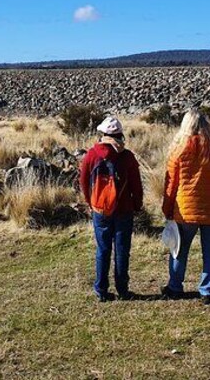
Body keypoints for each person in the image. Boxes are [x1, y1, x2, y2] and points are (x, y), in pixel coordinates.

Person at [160, 110, 210, 305]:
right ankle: (207, 291)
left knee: (179, 250)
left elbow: (170, 184)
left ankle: (175, 287)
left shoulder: (179, 149)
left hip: (185, 211)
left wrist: (167, 209)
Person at [79, 116, 144, 302]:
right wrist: (137, 205)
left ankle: (101, 290)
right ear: (120, 134)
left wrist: (91, 202)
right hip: (124, 209)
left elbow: (83, 181)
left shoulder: (92, 154)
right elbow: (136, 185)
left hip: (100, 209)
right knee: (122, 250)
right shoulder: (127, 157)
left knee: (103, 249)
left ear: (103, 134)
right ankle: (123, 290)